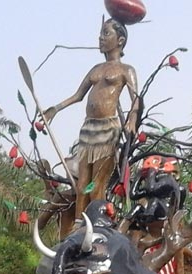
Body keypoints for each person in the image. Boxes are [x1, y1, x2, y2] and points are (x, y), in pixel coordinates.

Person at [41, 18, 139, 217]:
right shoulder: (95, 69)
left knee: (96, 187)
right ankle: (78, 226)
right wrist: (56, 109)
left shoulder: (126, 70)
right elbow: (78, 95)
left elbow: (136, 99)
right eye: (100, 34)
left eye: (106, 33)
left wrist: (132, 119)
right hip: (88, 130)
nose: (100, 38)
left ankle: (96, 227)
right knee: (82, 186)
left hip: (107, 130)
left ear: (120, 40)